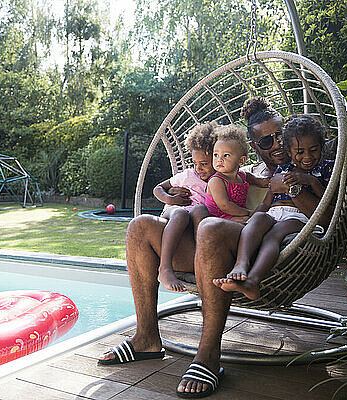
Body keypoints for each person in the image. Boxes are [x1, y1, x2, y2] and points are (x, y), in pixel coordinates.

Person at [97, 96, 296, 398]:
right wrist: (173, 197)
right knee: (139, 227)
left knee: (209, 226)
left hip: (254, 252)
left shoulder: (306, 168)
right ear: (252, 149)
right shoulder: (237, 164)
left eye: (281, 136)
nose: (277, 144)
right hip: (207, 247)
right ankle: (146, 338)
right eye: (266, 141)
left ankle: (207, 356)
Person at [213, 114, 334, 300]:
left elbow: (327, 199)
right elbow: (267, 200)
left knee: (274, 234)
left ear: (322, 147)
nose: (307, 157)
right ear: (289, 150)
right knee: (258, 221)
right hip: (274, 212)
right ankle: (241, 265)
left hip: (300, 217)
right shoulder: (283, 170)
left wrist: (309, 180)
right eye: (300, 152)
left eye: (314, 150)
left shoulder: (325, 169)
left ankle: (252, 281)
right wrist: (254, 215)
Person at [153, 122, 216, 292]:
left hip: (194, 222)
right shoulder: (188, 175)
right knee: (181, 214)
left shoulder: (220, 182)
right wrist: (170, 199)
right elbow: (158, 188)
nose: (198, 168)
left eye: (204, 163)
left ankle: (200, 265)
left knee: (200, 211)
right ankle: (164, 268)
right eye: (195, 163)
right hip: (173, 214)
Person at [204, 126, 252, 223]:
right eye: (216, 155)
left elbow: (253, 178)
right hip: (217, 218)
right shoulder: (216, 181)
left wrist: (265, 182)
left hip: (234, 215)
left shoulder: (241, 176)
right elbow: (224, 206)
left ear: (241, 160)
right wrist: (249, 212)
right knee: (248, 220)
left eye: (226, 155)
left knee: (254, 221)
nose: (219, 159)